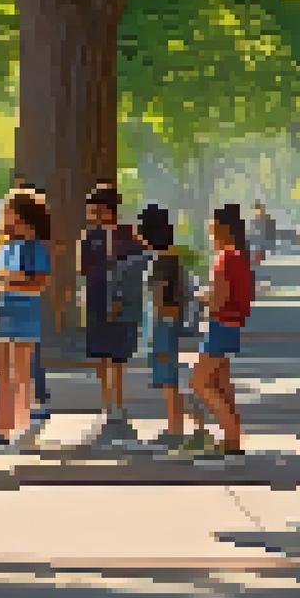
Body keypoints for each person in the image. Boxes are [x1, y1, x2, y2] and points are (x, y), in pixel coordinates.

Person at [0, 192, 52, 453]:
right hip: (2, 313)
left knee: (21, 374)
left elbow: (40, 283)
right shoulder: (3, 245)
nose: (3, 216)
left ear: (23, 216)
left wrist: (11, 280)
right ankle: (1, 429)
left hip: (24, 313)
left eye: (9, 211)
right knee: (2, 373)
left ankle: (22, 428)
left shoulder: (36, 246)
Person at [172, 204, 252, 460]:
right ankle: (232, 438)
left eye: (212, 230)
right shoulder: (239, 257)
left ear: (223, 230)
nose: (210, 236)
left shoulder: (226, 258)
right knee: (221, 384)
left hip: (220, 325)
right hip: (231, 325)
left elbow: (220, 298)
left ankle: (230, 436)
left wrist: (200, 295)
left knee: (199, 382)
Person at [81, 183, 144, 448]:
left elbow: (137, 266)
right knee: (99, 354)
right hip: (96, 299)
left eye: (96, 207)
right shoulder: (90, 235)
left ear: (108, 208)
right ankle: (106, 404)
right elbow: (84, 267)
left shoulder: (129, 234)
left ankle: (118, 405)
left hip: (121, 303)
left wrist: (121, 296)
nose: (93, 213)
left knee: (118, 355)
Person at [135, 205, 191, 450]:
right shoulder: (173, 258)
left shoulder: (160, 261)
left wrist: (149, 331)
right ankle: (174, 427)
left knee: (168, 379)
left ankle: (175, 430)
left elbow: (158, 297)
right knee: (171, 379)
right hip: (172, 322)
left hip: (163, 325)